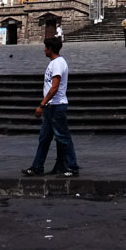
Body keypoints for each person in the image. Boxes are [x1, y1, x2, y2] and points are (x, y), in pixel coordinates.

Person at [21, 36, 80, 178]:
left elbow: (54, 88)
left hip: (56, 106)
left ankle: (72, 167)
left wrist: (41, 104)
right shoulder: (54, 63)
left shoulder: (58, 63)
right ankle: (37, 167)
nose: (44, 50)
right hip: (50, 107)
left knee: (63, 137)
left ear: (51, 49)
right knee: (44, 138)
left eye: (46, 47)